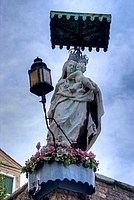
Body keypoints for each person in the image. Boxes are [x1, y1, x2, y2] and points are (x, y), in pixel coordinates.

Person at [47, 50, 104, 151]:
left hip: (79, 105)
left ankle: (69, 149)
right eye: (70, 66)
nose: (71, 68)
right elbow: (54, 98)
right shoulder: (61, 83)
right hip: (61, 104)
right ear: (65, 67)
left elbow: (94, 90)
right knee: (57, 123)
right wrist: (51, 108)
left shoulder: (82, 80)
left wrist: (92, 88)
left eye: (73, 66)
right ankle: (54, 147)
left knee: (78, 124)